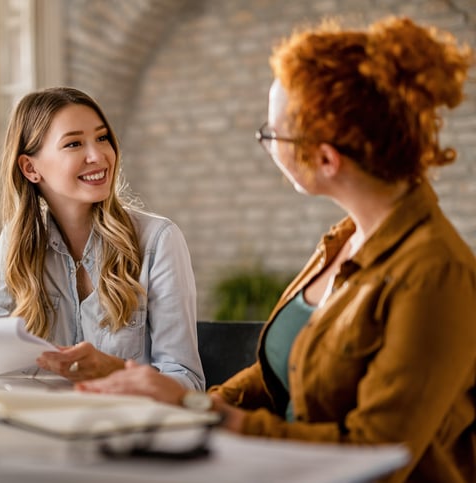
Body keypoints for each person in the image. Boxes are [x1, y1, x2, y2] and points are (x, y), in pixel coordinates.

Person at [77, 16, 475, 482]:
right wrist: (173, 401)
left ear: (326, 158)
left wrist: (202, 412)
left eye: (272, 133)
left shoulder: (436, 272)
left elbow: (376, 454)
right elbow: (276, 375)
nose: (266, 143)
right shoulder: (343, 239)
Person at [0, 87, 204, 390]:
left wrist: (110, 370)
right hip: (38, 426)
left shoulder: (158, 240)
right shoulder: (19, 242)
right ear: (30, 168)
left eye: (102, 138)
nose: (98, 155)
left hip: (124, 430)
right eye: (74, 143)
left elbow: (187, 383)